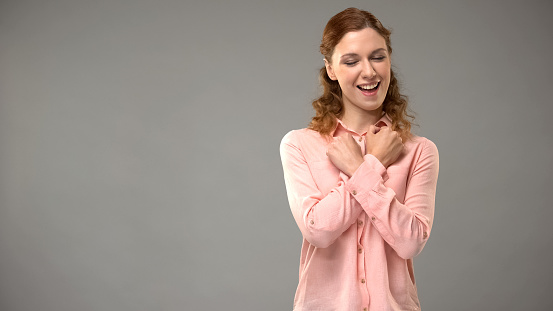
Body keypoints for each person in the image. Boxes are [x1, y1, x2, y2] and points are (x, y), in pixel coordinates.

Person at [280, 7, 439, 311]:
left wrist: (359, 168)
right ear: (330, 69)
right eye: (351, 61)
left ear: (389, 60)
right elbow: (318, 230)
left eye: (378, 57)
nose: (369, 71)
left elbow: (411, 242)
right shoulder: (300, 145)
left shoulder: (419, 151)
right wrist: (375, 165)